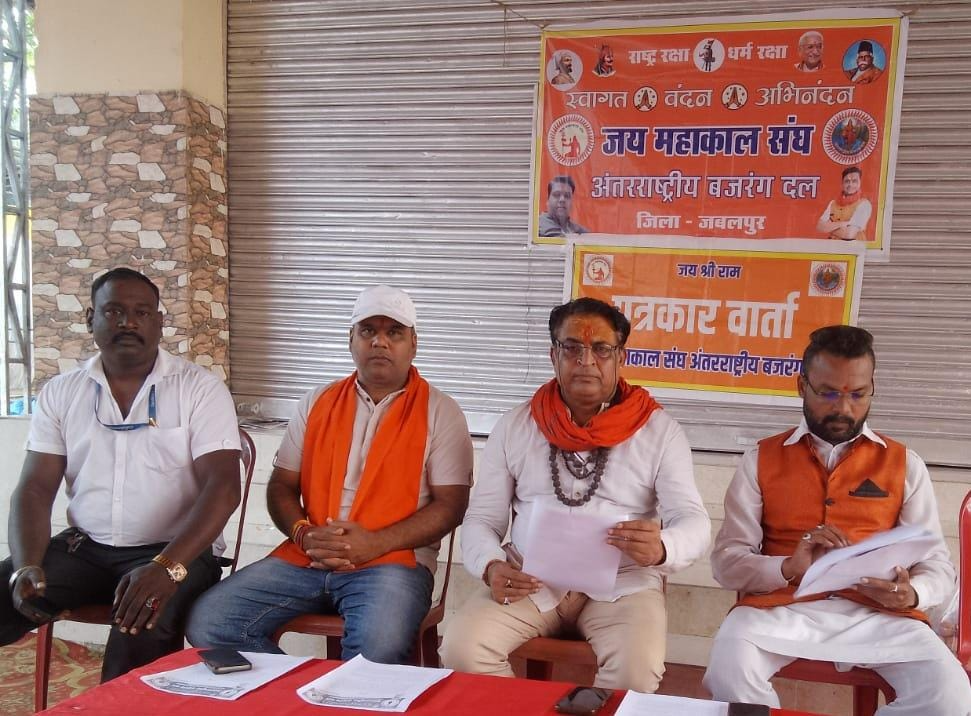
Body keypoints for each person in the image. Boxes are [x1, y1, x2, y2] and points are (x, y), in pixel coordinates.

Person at [187, 285, 473, 664]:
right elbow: (282, 486)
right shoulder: (317, 402)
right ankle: (304, 692)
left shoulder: (441, 411)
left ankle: (332, 691)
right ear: (351, 339)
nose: (380, 342)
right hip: (307, 557)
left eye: (394, 332)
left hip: (393, 562)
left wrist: (376, 543)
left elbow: (451, 506)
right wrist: (303, 534)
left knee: (376, 651)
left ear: (413, 344)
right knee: (210, 621)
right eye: (368, 331)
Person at [441, 298, 711, 692]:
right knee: (463, 649)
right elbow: (482, 517)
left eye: (601, 349)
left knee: (636, 671)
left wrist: (663, 547)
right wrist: (491, 566)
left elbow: (693, 519)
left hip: (622, 585)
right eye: (572, 348)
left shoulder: (658, 431)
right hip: (530, 580)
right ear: (554, 356)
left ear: (620, 357)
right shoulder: (517, 425)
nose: (586, 361)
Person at [703, 325, 971, 715]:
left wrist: (912, 593)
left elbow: (937, 564)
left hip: (881, 615)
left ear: (872, 388)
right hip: (782, 609)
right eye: (828, 393)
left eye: (857, 394)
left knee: (951, 696)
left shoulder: (905, 464)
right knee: (729, 663)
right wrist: (787, 567)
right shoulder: (760, 460)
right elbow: (727, 563)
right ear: (802, 386)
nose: (843, 408)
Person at [0, 267, 242, 681]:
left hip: (176, 552)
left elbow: (223, 487)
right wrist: (26, 566)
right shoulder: (62, 391)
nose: (128, 322)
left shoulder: (199, 388)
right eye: (113, 311)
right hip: (86, 550)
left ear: (159, 323)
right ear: (90, 318)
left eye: (141, 313)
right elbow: (36, 489)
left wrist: (166, 567)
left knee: (143, 618)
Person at [817, 166, 872, 241]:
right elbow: (819, 227)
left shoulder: (864, 204)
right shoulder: (833, 203)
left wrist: (828, 227)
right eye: (847, 181)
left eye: (854, 181)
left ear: (860, 183)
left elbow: (849, 234)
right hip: (832, 246)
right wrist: (843, 224)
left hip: (853, 247)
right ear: (842, 184)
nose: (850, 185)